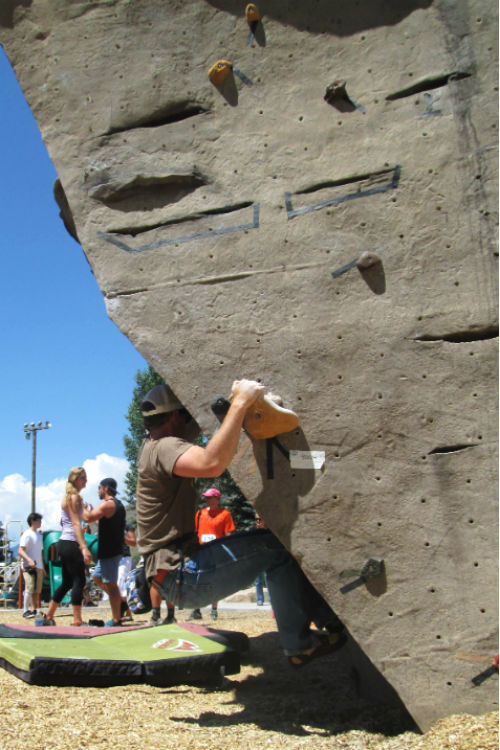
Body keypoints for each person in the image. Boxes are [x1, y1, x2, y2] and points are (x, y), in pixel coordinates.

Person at [136, 380, 346, 667]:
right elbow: (212, 463)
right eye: (184, 416)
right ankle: (302, 644)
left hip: (176, 576)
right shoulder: (165, 447)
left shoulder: (151, 445)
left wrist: (226, 408)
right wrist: (241, 402)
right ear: (174, 417)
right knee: (277, 551)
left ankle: (329, 624)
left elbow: (195, 428)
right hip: (183, 577)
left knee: (270, 546)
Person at [42, 467, 93, 626]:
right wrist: (84, 547)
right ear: (76, 479)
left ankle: (49, 615)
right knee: (79, 580)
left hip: (63, 542)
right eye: (83, 478)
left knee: (66, 583)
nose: (86, 481)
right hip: (72, 542)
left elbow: (84, 517)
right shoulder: (74, 497)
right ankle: (77, 620)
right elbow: (77, 523)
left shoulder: (68, 497)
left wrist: (86, 508)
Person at [84, 478, 126, 627]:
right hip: (109, 551)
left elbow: (87, 518)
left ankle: (116, 619)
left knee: (112, 585)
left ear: (106, 488)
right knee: (97, 578)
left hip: (110, 551)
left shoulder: (108, 504)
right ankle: (119, 602)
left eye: (99, 488)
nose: (98, 491)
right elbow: (98, 521)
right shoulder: (117, 505)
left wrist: (79, 506)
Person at [189, 487, 235, 621]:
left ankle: (214, 610)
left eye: (209, 497)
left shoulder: (225, 514)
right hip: (200, 552)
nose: (206, 500)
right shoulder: (200, 514)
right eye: (206, 497)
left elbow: (228, 534)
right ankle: (196, 610)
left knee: (214, 581)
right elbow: (195, 532)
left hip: (216, 553)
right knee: (197, 579)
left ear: (217, 498)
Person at [18, 512, 46, 617]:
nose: (40, 522)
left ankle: (34, 610)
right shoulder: (27, 534)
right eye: (38, 520)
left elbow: (40, 553)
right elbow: (20, 550)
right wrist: (29, 560)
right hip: (28, 566)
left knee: (36, 590)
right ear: (32, 521)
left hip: (38, 566)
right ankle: (25, 610)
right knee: (29, 587)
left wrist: (42, 567)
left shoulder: (39, 535)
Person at [117, 519, 137, 620]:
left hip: (124, 558)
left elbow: (133, 542)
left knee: (120, 584)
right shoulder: (108, 522)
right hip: (111, 558)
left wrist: (122, 538)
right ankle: (127, 611)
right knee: (116, 586)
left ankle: (121, 611)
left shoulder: (127, 524)